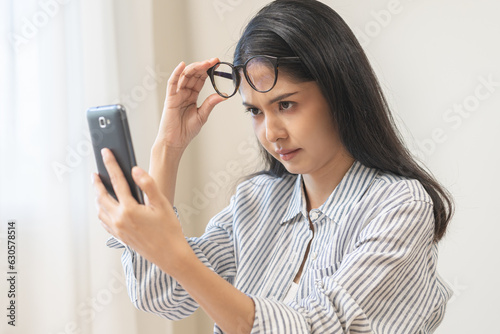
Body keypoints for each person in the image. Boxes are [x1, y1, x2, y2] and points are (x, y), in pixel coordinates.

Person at [92, 0, 454, 333]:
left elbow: (318, 327)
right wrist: (167, 149)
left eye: (286, 105)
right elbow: (163, 294)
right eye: (255, 111)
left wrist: (175, 254)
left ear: (338, 92)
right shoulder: (257, 200)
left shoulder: (400, 205)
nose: (272, 133)